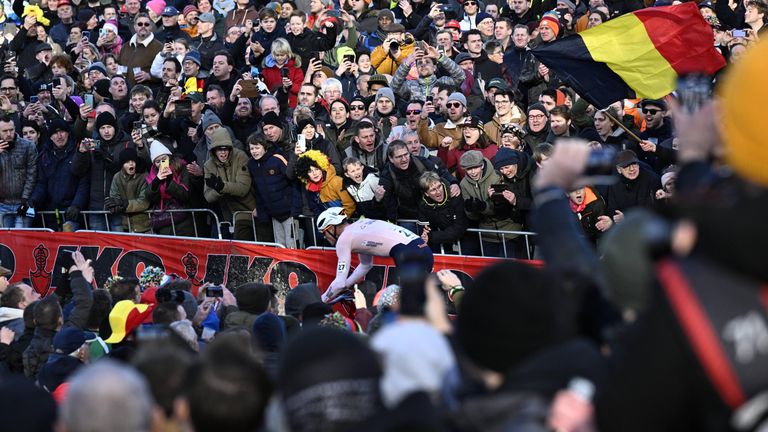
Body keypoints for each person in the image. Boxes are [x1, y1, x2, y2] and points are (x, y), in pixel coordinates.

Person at [317, 207, 434, 302]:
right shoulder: (360, 225)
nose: (325, 237)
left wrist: (321, 300)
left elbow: (339, 283)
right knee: (419, 301)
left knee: (409, 307)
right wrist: (346, 285)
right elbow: (365, 265)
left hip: (408, 254)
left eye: (324, 232)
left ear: (331, 228)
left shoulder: (343, 239)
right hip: (422, 248)